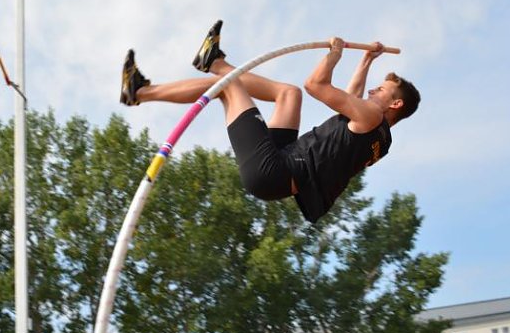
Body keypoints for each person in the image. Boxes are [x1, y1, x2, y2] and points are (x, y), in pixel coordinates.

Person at [119, 20, 420, 223]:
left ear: (395, 104)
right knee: (288, 94)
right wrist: (366, 60)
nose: (372, 90)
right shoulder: (378, 136)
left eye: (381, 90)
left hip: (274, 172)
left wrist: (334, 55)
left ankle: (140, 92)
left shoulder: (371, 116)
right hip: (286, 161)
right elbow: (351, 100)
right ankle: (214, 62)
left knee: (228, 88)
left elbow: (316, 85)